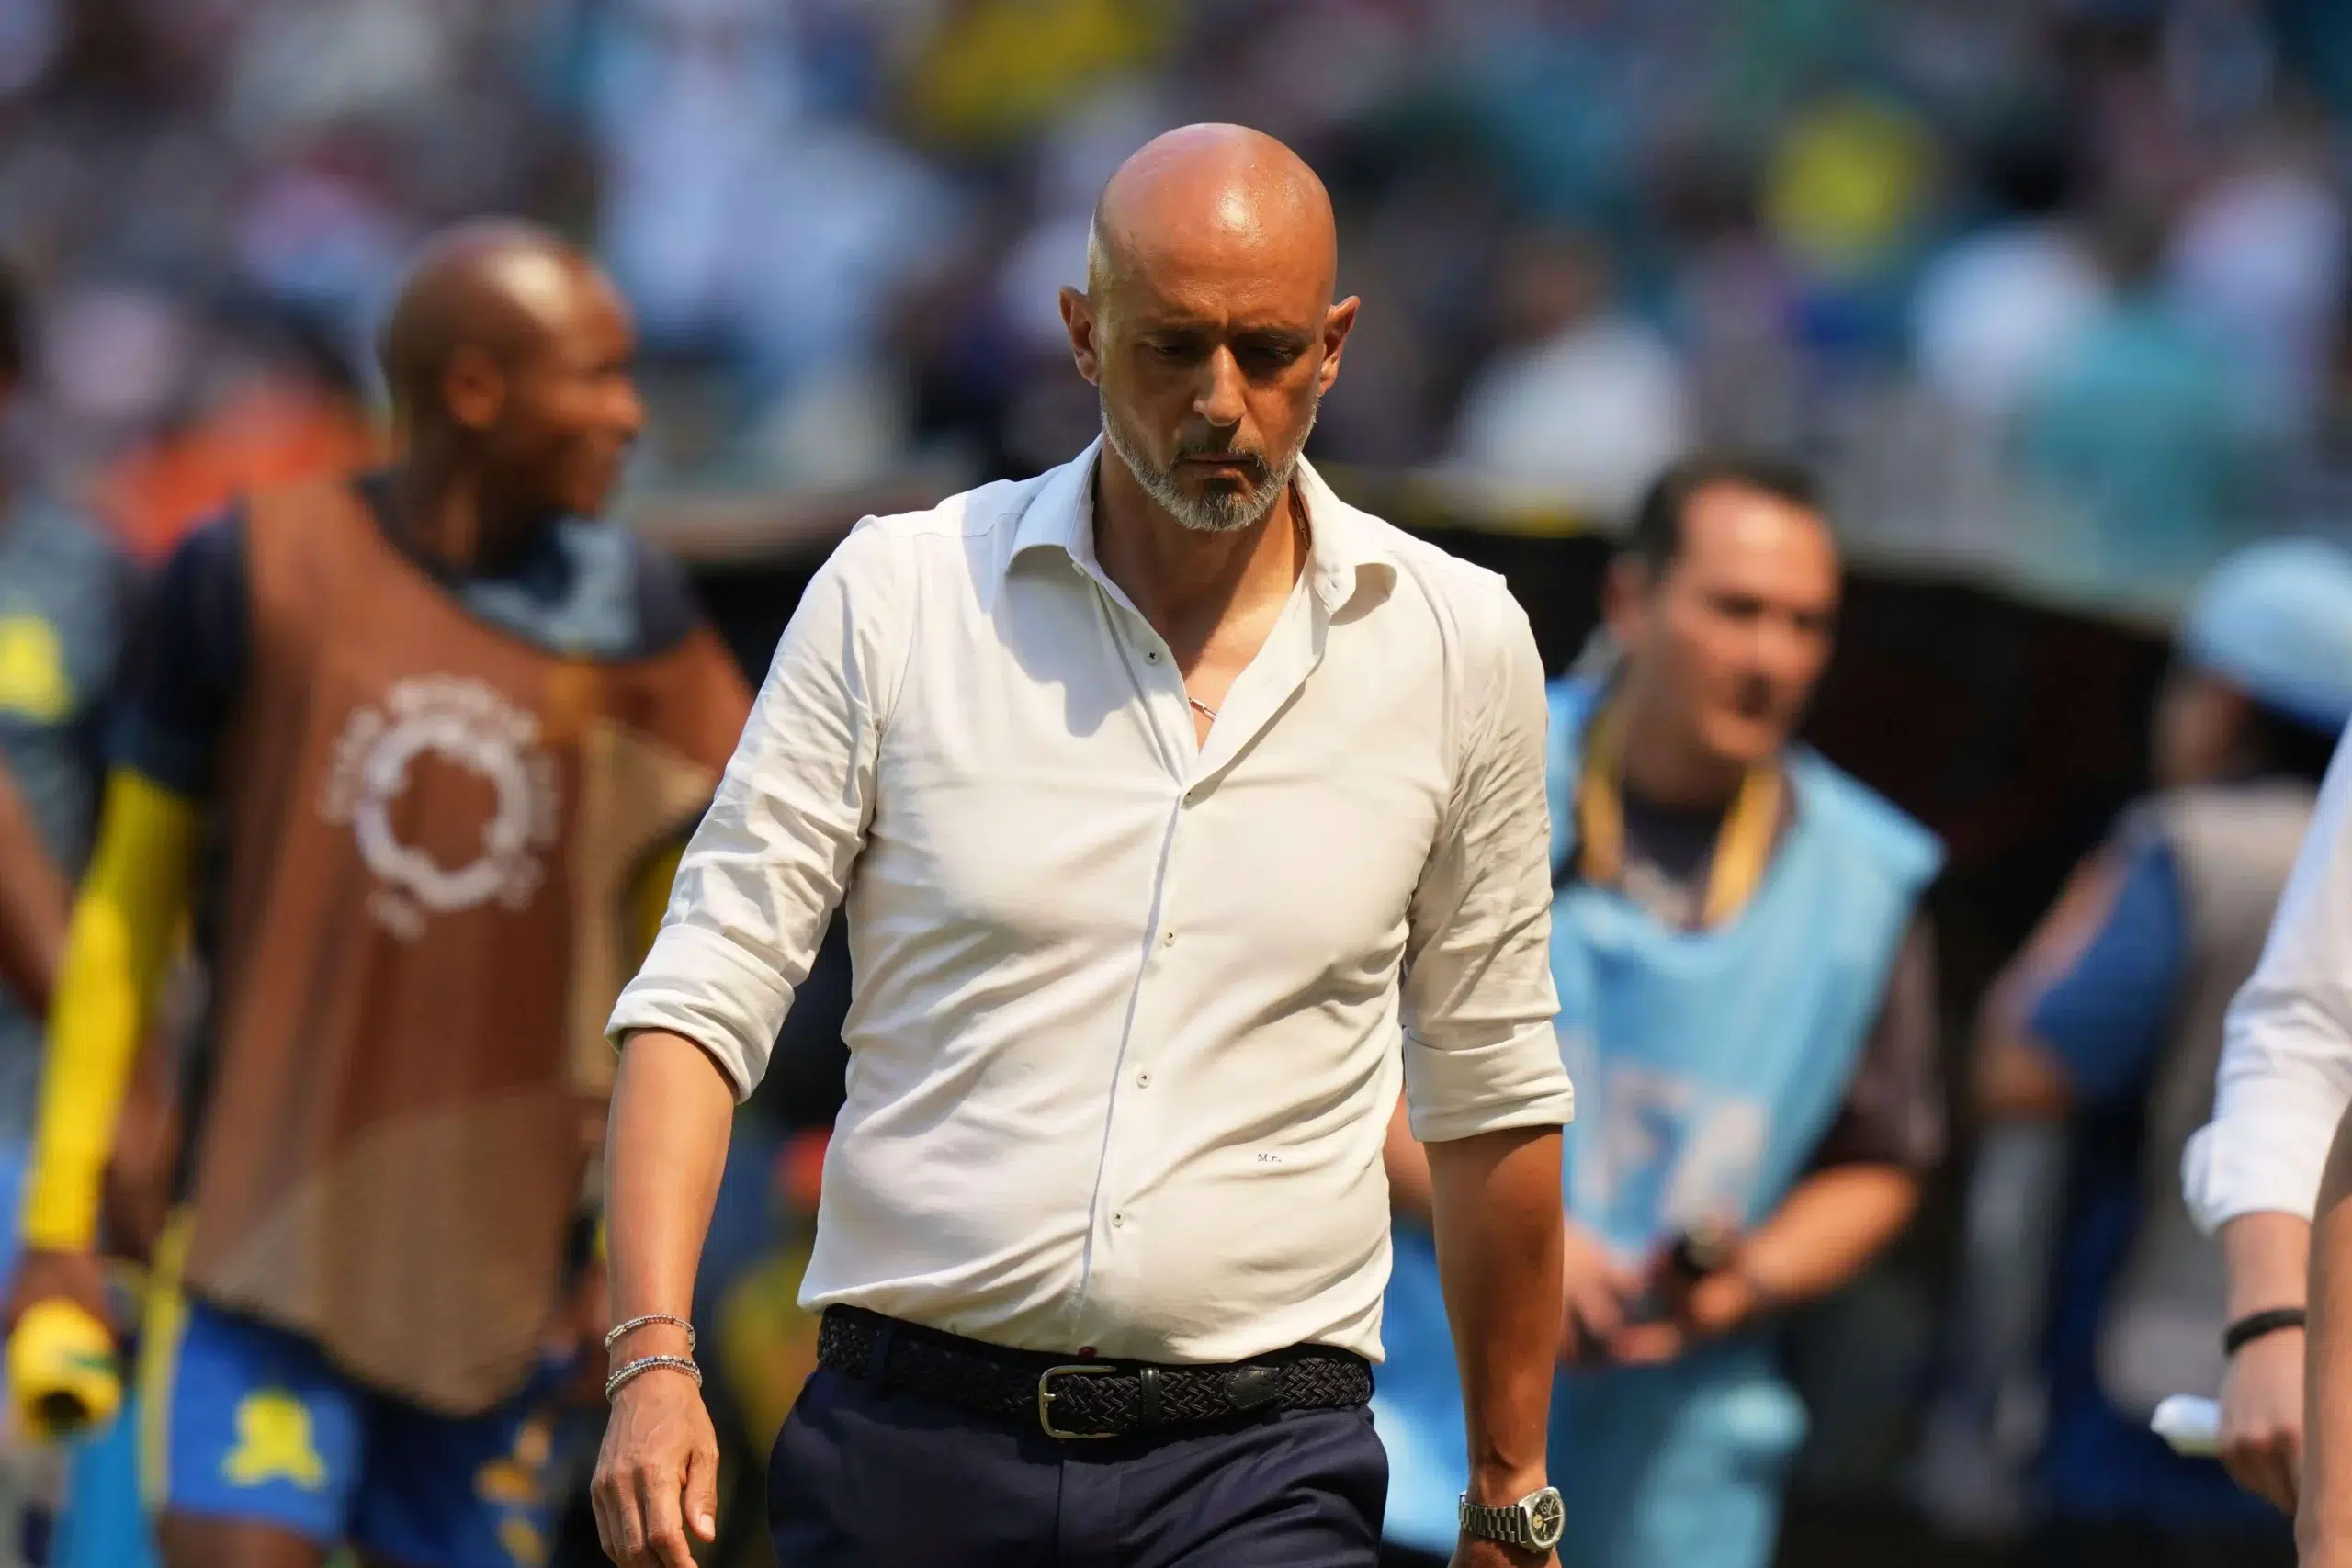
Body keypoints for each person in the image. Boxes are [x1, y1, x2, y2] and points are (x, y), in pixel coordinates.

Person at [593, 123, 1577, 1568]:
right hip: (907, 1444)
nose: (1222, 402)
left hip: (1267, 1466)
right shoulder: (899, 595)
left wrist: (1511, 1482)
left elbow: (1492, 1086)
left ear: (1337, 346)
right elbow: (701, 994)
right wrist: (653, 1359)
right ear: (1080, 335)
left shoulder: (1458, 641)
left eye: (1267, 347)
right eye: (1173, 347)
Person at [3, 220, 752, 1568]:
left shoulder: (641, 626)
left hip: (497, 1282)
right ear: (473, 390)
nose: (629, 415)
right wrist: (62, 1226)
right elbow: (121, 914)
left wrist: (637, 1282)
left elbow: (686, 981)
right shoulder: (250, 573)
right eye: (595, 376)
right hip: (256, 1249)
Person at [1377, 453, 1945, 1568]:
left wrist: (1749, 1279)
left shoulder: (1867, 877)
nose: (1769, 656)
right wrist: (1525, 1246)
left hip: (1668, 1477)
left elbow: (1884, 1157)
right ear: (1632, 602)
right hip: (1403, 1437)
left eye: (1804, 624)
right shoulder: (1467, 762)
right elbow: (1322, 1062)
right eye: (1736, 610)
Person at [1967, 540, 2352, 1566]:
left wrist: (2086, 894)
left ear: (2222, 699)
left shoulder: (2182, 846)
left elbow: (2022, 1073)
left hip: (2167, 1381)